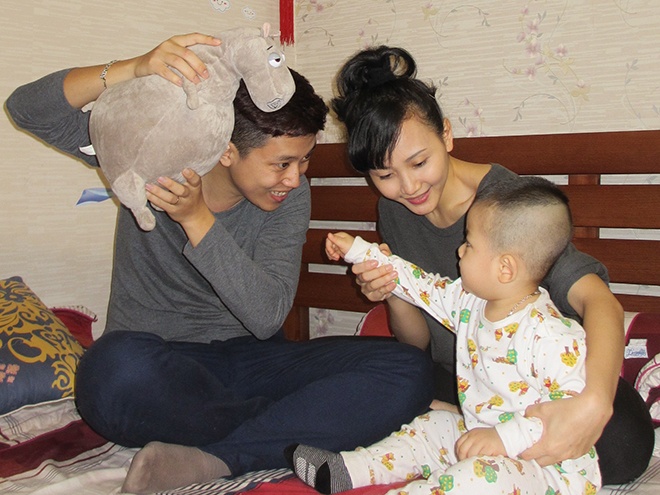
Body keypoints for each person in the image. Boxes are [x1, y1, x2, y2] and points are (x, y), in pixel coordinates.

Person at [5, 34, 434, 494]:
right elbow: (28, 108)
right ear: (227, 150)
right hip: (162, 366)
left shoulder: (290, 197)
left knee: (408, 369)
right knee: (109, 371)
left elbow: (266, 314)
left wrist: (199, 222)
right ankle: (289, 424)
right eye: (282, 164)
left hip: (254, 361)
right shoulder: (152, 163)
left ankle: (221, 456)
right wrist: (135, 67)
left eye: (306, 159)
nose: (296, 178)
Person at [327, 45, 654, 485]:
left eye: (419, 162)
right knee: (371, 389)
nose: (408, 186)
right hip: (461, 377)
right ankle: (473, 443)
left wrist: (594, 401)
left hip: (538, 379)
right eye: (384, 175)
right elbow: (416, 342)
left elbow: (600, 302)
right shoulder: (394, 212)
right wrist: (393, 290)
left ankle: (484, 446)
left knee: (624, 446)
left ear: (446, 135)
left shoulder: (505, 204)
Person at [288, 176, 601, 495]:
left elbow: (567, 413)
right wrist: (359, 251)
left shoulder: (552, 335)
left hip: (545, 470)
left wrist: (503, 439)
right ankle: (349, 469)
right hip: (482, 433)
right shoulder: (470, 302)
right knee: (431, 426)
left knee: (476, 477)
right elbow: (418, 283)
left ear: (505, 268)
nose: (459, 250)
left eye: (469, 243)